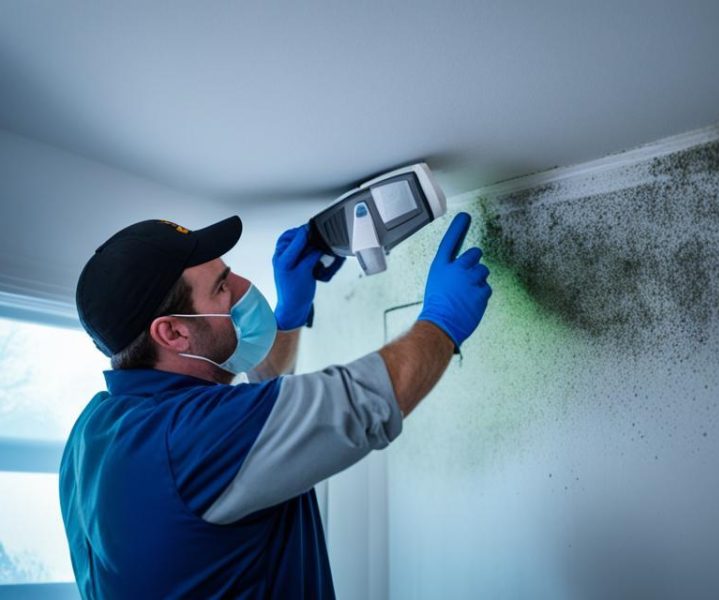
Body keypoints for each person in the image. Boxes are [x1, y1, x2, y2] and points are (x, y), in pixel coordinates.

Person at [59, 211, 491, 598]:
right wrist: (442, 320)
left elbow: (252, 437)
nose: (244, 287)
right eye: (222, 287)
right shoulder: (185, 439)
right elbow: (361, 402)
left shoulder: (94, 431)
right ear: (173, 333)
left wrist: (288, 316)